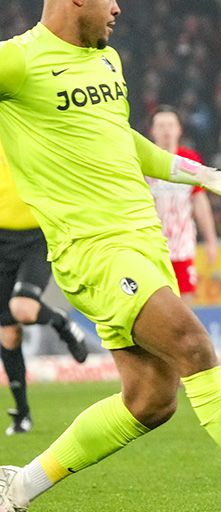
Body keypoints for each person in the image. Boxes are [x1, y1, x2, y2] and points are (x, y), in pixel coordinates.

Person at [0, 0, 221, 511]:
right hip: (93, 250)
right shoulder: (17, 62)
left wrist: (206, 176)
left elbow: (123, 141)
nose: (118, 8)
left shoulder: (107, 62)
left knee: (150, 400)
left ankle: (18, 488)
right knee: (193, 343)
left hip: (145, 241)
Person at [0, 141, 89, 437]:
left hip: (36, 237)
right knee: (8, 333)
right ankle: (22, 413)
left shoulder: (28, 130)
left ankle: (61, 323)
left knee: (23, 308)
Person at [147, 106, 218, 307]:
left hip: (182, 246)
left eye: (171, 125)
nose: (166, 131)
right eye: (161, 126)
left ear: (179, 129)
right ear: (152, 131)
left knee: (185, 304)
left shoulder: (189, 160)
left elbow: (199, 201)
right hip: (152, 246)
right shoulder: (144, 162)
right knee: (154, 304)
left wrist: (211, 239)